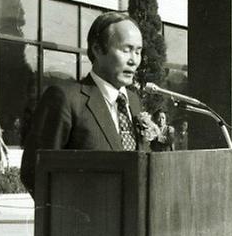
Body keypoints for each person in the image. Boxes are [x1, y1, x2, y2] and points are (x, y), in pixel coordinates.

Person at [20, 11, 146, 195]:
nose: (134, 60)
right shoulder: (65, 98)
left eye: (138, 51)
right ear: (97, 49)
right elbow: (34, 171)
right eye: (125, 49)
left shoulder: (133, 102)